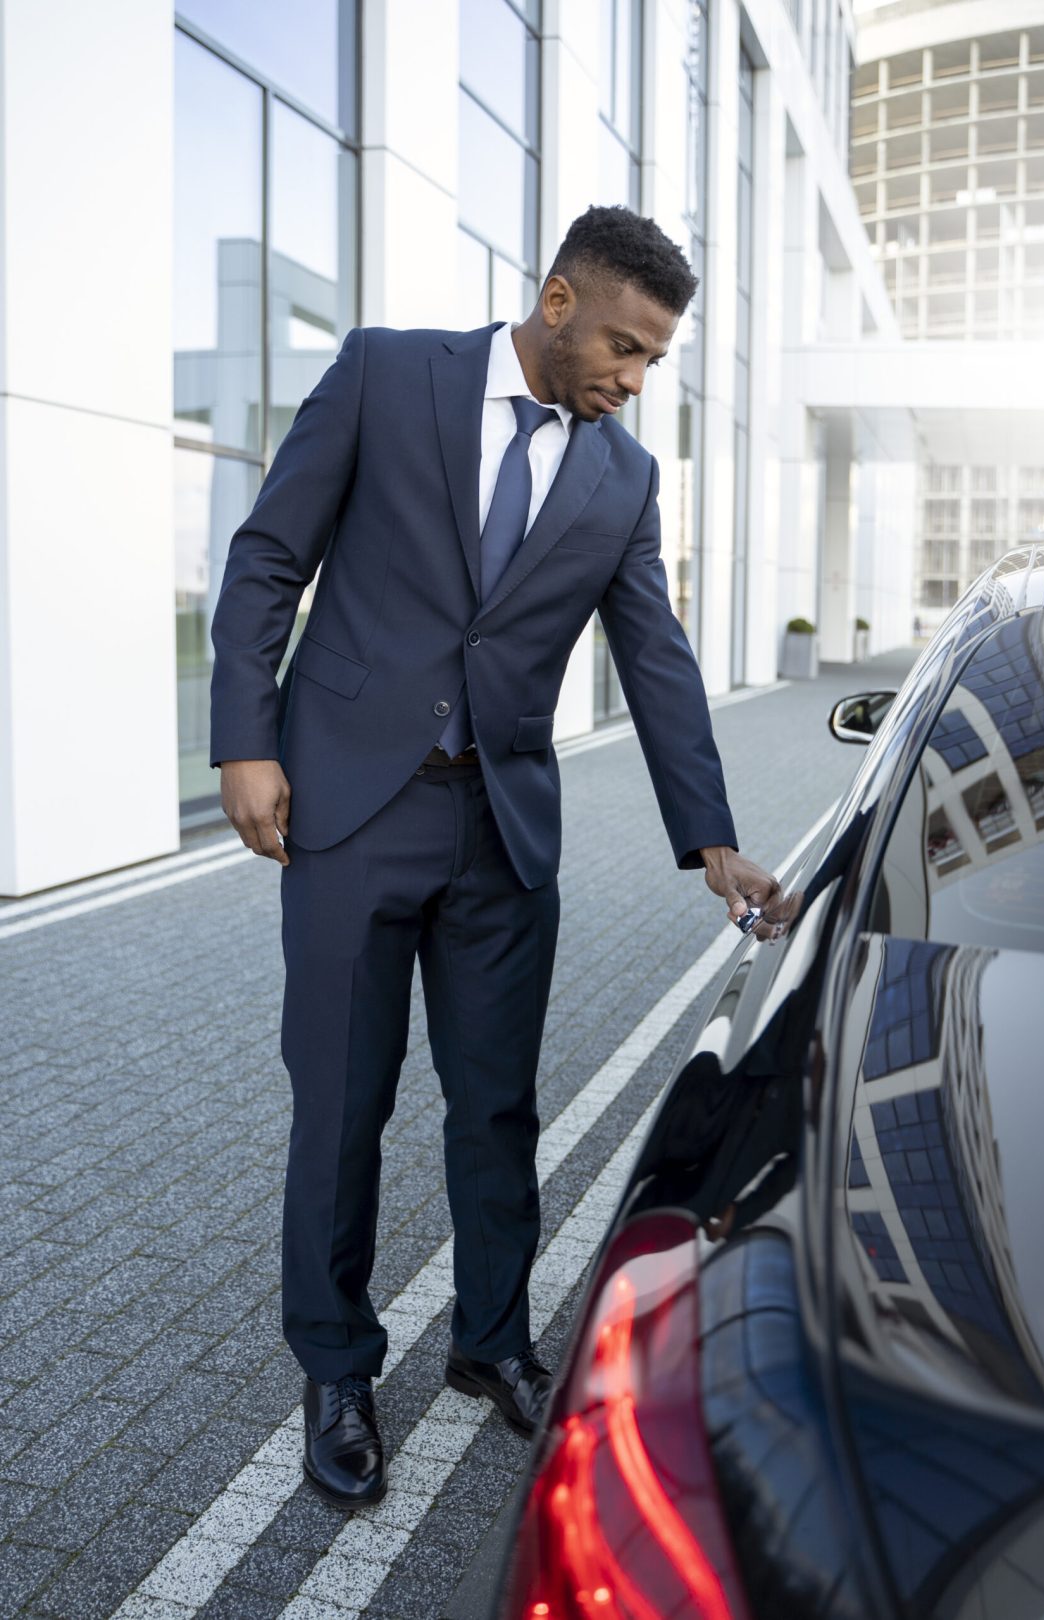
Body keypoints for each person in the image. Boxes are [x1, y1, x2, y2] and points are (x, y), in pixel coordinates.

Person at [209, 204, 779, 1510]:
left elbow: (657, 659)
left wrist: (712, 839)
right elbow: (266, 559)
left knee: (498, 1106)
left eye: (653, 362)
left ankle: (490, 1342)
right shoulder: (385, 372)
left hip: (502, 831)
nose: (633, 382)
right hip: (347, 809)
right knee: (343, 1105)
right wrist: (244, 741)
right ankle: (337, 1366)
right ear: (559, 298)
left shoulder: (620, 480)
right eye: (626, 348)